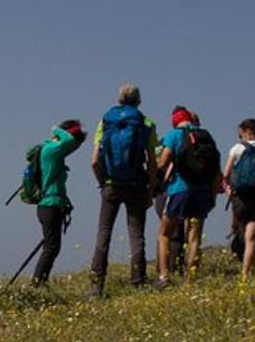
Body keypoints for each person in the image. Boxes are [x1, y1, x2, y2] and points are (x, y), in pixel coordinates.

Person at [88, 84, 160, 298]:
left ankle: (96, 286)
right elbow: (153, 161)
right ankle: (138, 282)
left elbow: (93, 161)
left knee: (104, 233)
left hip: (111, 185)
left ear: (119, 99)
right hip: (137, 184)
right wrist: (151, 188)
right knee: (136, 234)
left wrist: (103, 183)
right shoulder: (145, 122)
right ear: (139, 101)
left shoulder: (106, 121)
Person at [156, 107, 221, 286]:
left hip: (179, 189)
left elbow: (164, 161)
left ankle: (164, 276)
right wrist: (213, 197)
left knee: (164, 234)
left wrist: (158, 167)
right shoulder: (206, 136)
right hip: (202, 192)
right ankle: (190, 280)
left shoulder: (174, 134)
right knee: (194, 238)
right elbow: (217, 171)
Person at [31, 120, 86, 285]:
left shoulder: (49, 150)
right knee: (51, 247)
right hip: (50, 204)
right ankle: (37, 283)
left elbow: (71, 143)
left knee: (51, 247)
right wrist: (56, 129)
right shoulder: (52, 150)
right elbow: (69, 141)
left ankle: (40, 282)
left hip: (50, 205)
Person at [222, 116, 255, 281]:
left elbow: (226, 174)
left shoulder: (238, 148)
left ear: (246, 132)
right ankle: (246, 273)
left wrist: (228, 190)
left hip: (241, 197)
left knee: (242, 230)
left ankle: (239, 257)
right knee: (252, 235)